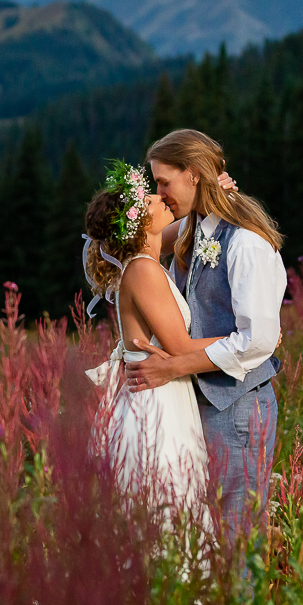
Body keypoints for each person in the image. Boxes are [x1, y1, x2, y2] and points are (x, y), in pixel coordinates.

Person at [123, 129, 285, 545]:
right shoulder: (196, 230)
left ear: (193, 175)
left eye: (164, 182)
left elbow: (257, 341)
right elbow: (130, 252)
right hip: (204, 405)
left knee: (237, 537)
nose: (158, 193)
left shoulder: (245, 243)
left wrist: (175, 364)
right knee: (207, 536)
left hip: (238, 409)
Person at [82, 159, 230, 523]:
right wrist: (245, 342)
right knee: (167, 504)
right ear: (138, 223)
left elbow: (187, 229)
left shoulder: (143, 259)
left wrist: (213, 198)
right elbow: (179, 346)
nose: (158, 197)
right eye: (149, 199)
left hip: (158, 391)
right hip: (157, 402)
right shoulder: (143, 269)